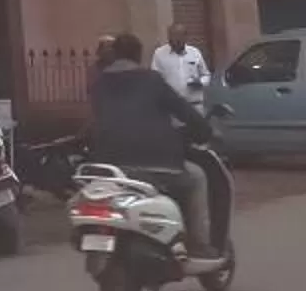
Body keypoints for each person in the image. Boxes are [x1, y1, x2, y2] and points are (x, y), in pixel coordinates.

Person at [89, 31, 216, 255]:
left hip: (111, 165)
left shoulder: (99, 84)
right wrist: (205, 130)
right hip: (156, 162)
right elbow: (184, 111)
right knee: (197, 177)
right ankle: (199, 243)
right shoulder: (152, 80)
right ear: (139, 56)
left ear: (115, 54)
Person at [149, 22, 215, 110]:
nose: (174, 39)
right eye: (171, 36)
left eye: (178, 36)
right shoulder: (159, 54)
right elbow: (155, 78)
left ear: (185, 37)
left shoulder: (194, 52)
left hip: (194, 105)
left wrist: (200, 82)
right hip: (172, 106)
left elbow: (206, 75)